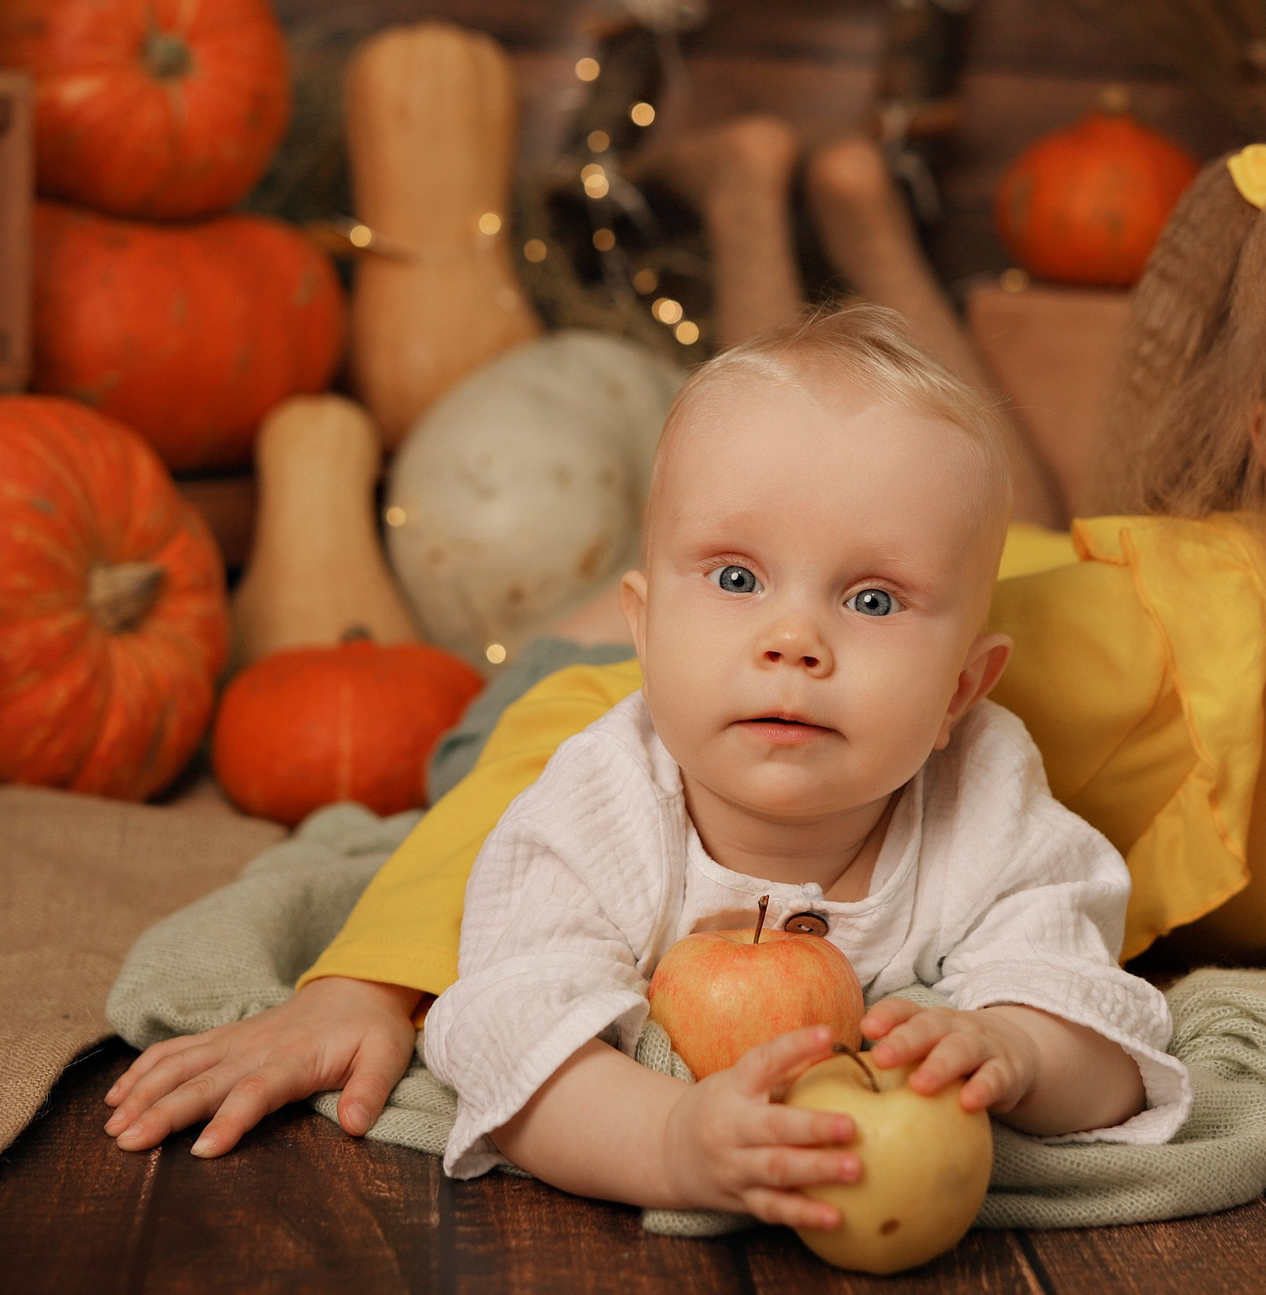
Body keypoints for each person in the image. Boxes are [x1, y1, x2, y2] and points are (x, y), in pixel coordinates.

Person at [106, 70, 1266, 1151]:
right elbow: (611, 719)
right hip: (644, 702)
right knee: (549, 750)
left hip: (830, 747)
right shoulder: (1134, 631)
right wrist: (374, 984)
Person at [108, 309, 1191, 1221]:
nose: (795, 641)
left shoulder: (988, 796)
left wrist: (1013, 1047)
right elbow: (503, 1028)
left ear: (962, 690)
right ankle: (570, 646)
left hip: (693, 680)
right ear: (648, 622)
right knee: (477, 761)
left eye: (871, 600)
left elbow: (1094, 1011)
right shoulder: (600, 798)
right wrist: (670, 1141)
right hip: (537, 713)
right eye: (734, 578)